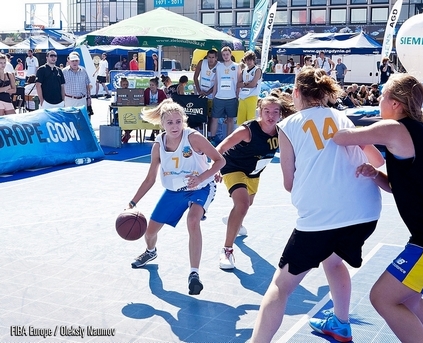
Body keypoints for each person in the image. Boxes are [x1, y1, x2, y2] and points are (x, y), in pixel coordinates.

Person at [251, 67, 384, 343]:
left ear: (296, 93)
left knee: (281, 286)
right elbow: (377, 159)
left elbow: (289, 182)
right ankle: (341, 323)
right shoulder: (344, 118)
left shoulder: (288, 126)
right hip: (365, 213)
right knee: (333, 260)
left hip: (322, 218)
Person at [332, 73, 423, 343]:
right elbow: (405, 186)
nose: (379, 100)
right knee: (410, 300)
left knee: (382, 298)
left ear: (396, 104)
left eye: (382, 95)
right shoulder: (421, 128)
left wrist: (323, 118)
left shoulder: (395, 129)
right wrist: (376, 175)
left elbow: (342, 137)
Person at [128, 99, 226, 296]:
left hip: (201, 188)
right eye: (170, 122)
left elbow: (219, 160)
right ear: (162, 124)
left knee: (192, 221)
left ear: (184, 121)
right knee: (149, 233)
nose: (175, 126)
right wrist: (132, 202)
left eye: (178, 121)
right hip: (174, 191)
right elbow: (150, 179)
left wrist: (202, 177)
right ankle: (150, 252)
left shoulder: (194, 138)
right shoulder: (158, 146)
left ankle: (194, 274)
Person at [216, 94, 295, 270]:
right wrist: (215, 165)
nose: (271, 115)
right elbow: (222, 146)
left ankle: (235, 220)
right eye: (266, 111)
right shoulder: (248, 130)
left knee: (246, 204)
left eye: (275, 111)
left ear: (281, 114)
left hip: (254, 172)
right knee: (242, 204)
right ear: (259, 112)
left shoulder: (283, 131)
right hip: (233, 166)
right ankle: (227, 250)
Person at [209, 46, 241, 146]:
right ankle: (213, 139)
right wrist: (214, 95)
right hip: (219, 97)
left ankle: (228, 141)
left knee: (231, 119)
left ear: (231, 54)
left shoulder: (236, 66)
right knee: (214, 118)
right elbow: (216, 81)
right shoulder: (219, 66)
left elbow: (239, 82)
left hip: (232, 97)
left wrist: (237, 95)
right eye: (223, 55)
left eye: (227, 54)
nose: (226, 56)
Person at [236, 50, 262, 126]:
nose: (248, 62)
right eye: (247, 60)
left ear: (254, 60)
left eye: (250, 60)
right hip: (242, 97)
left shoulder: (257, 70)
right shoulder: (243, 71)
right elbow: (238, 84)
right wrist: (245, 83)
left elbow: (253, 84)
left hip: (252, 97)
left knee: (251, 120)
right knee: (241, 122)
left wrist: (243, 84)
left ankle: (251, 137)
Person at [142, 76, 167, 142]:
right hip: (149, 110)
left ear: (156, 86)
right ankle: (153, 134)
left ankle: (157, 135)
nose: (151, 86)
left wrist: (158, 104)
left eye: (152, 85)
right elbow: (142, 101)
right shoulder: (147, 91)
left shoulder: (161, 92)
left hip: (158, 110)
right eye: (150, 85)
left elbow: (165, 102)